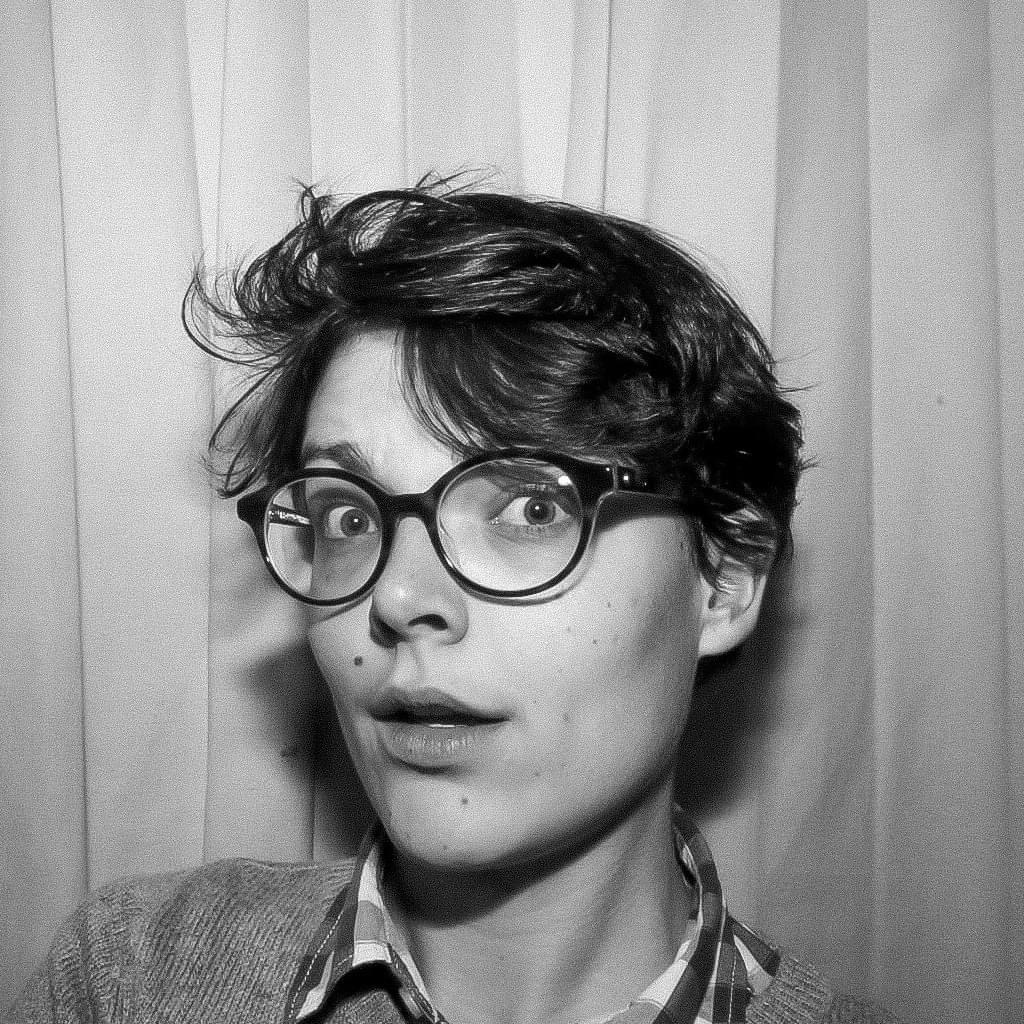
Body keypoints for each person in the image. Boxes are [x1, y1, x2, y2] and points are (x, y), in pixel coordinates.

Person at [6, 180, 899, 1024]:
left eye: (533, 508)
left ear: (726, 579)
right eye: (348, 517)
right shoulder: (135, 978)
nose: (398, 596)